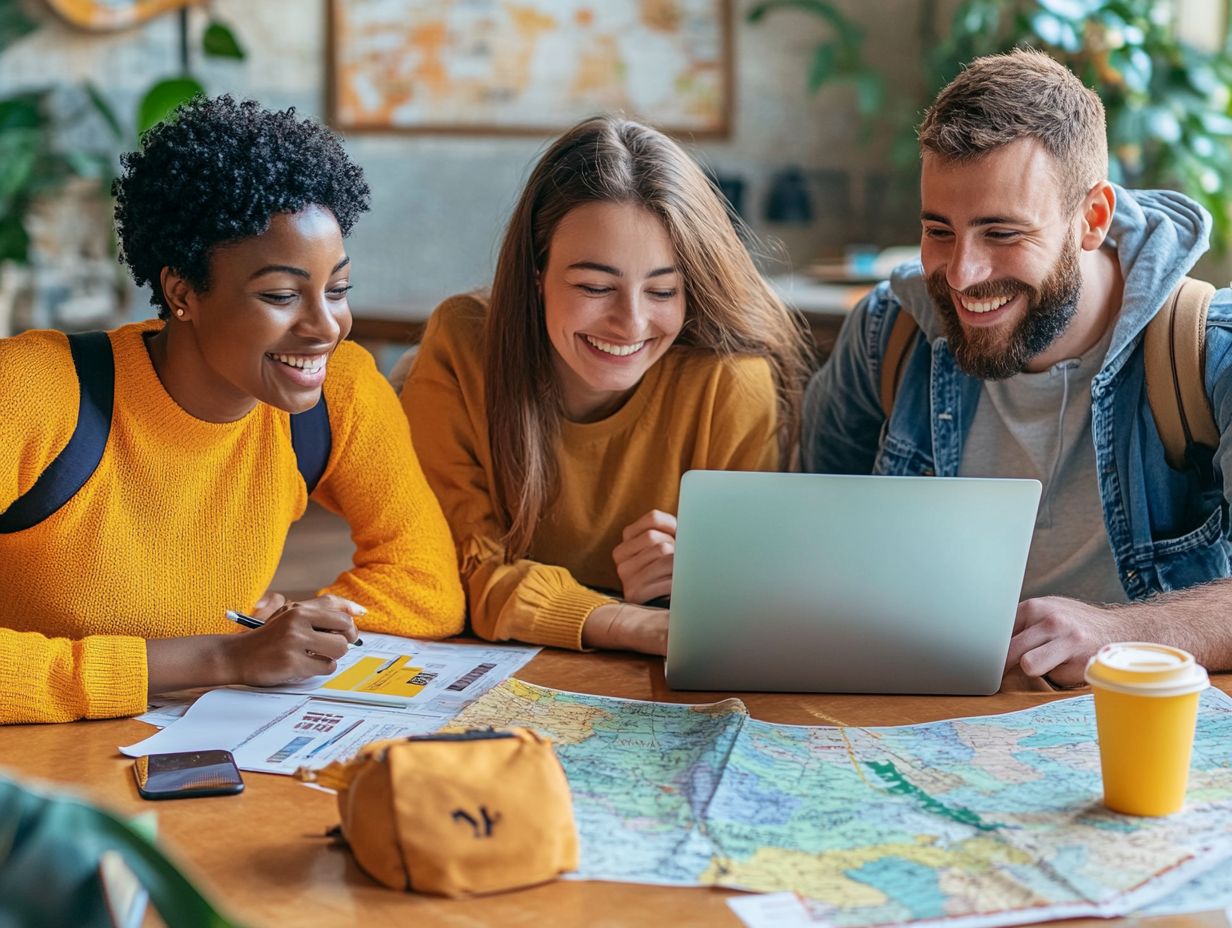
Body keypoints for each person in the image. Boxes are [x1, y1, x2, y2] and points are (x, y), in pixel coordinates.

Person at [0, 96, 465, 725]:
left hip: (185, 751)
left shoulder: (342, 391)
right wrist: (221, 658)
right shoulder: (34, 389)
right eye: (280, 295)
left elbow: (427, 584)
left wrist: (303, 630)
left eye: (338, 289)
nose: (325, 326)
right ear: (182, 291)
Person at [803, 48, 1232, 687]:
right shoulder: (884, 336)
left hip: (1134, 736)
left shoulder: (1208, 351)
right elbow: (808, 542)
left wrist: (1121, 633)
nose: (962, 275)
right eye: (939, 231)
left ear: (1092, 218)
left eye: (1001, 233)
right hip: (919, 723)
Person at [401, 115, 811, 656]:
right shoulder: (462, 345)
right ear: (535, 274)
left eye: (663, 292)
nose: (632, 323)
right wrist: (623, 622)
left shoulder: (730, 382)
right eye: (596, 286)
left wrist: (699, 588)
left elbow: (756, 600)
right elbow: (451, 573)